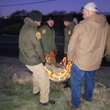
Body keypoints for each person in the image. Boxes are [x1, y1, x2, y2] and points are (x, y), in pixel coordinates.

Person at [67, 2, 109, 110]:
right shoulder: (106, 24)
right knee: (90, 79)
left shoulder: (81, 26)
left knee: (75, 83)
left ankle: (75, 104)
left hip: (80, 61)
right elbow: (109, 42)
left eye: (84, 11)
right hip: (95, 61)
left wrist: (70, 59)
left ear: (90, 12)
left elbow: (71, 45)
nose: (82, 14)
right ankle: (87, 98)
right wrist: (107, 54)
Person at [19, 10, 55, 105]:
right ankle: (44, 100)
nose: (40, 22)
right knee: (44, 79)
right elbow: (38, 47)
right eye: (40, 20)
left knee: (36, 74)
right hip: (33, 59)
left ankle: (36, 90)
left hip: (25, 57)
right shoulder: (34, 30)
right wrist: (43, 60)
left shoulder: (25, 27)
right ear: (36, 20)